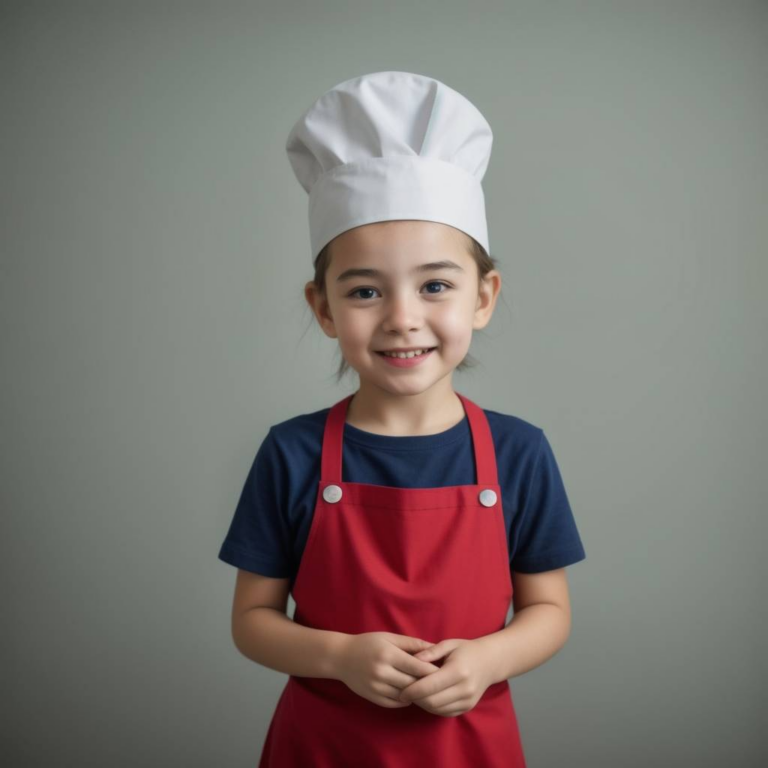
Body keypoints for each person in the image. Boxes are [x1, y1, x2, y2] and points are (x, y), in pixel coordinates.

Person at [218, 71, 586, 767]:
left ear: (484, 297)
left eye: (435, 285)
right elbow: (251, 622)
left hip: (467, 745)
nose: (402, 318)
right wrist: (340, 655)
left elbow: (550, 612)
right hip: (322, 746)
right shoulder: (292, 453)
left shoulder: (518, 452)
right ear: (323, 308)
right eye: (364, 290)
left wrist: (487, 660)